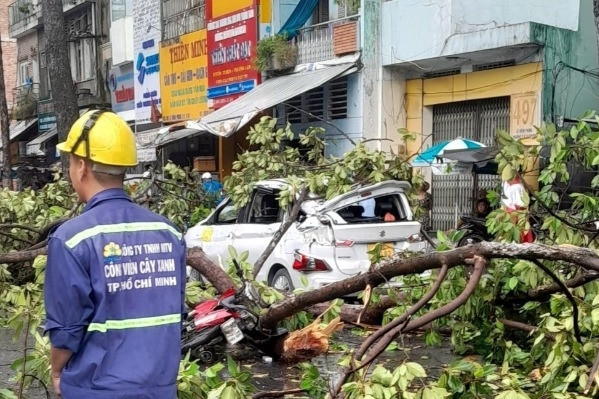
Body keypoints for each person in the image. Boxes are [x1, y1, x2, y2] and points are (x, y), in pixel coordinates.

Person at [44, 110, 186, 398]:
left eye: (70, 163)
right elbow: (175, 313)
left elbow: (67, 330)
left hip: (96, 390)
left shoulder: (71, 240)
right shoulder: (169, 233)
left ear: (81, 166)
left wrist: (57, 372)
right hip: (159, 389)